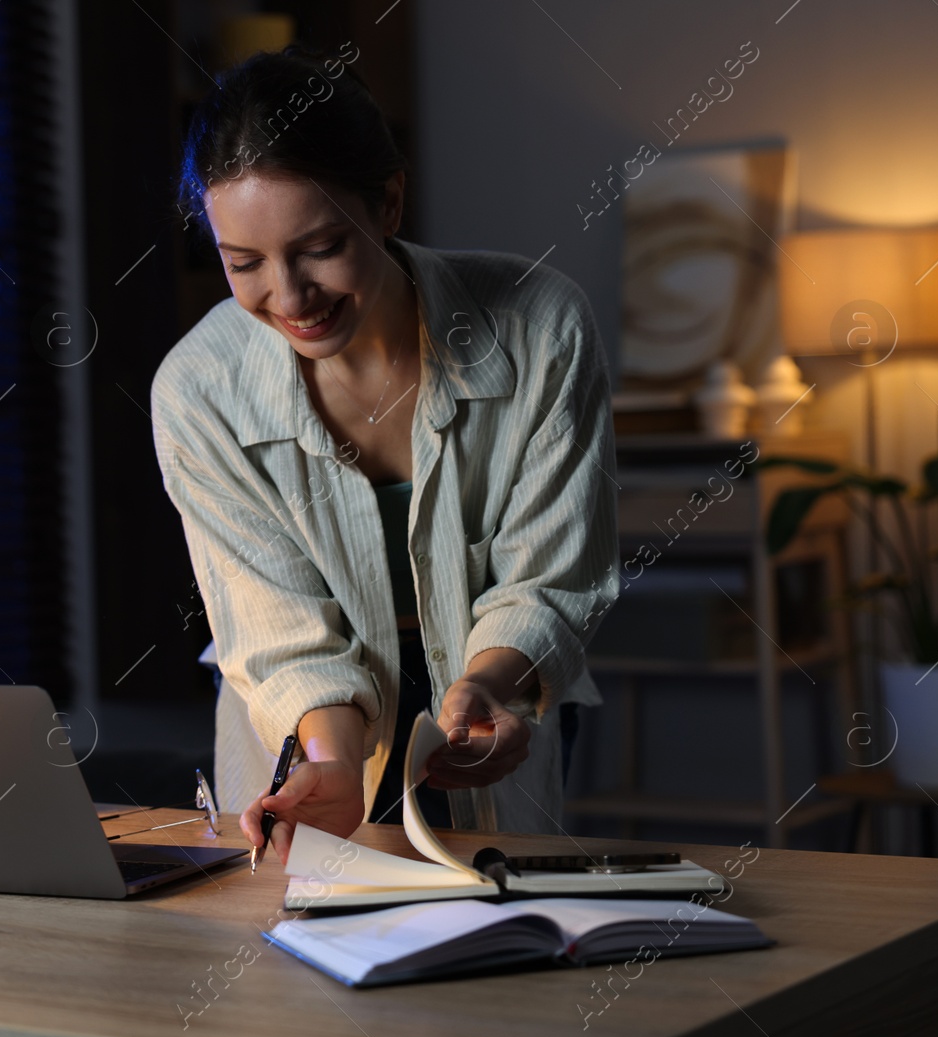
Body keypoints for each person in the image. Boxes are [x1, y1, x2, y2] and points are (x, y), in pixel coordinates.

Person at [150, 46, 619, 864]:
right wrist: (332, 762)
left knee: (505, 954)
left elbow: (551, 575)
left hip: (494, 714)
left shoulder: (543, 329)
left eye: (321, 246)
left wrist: (486, 686)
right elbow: (279, 631)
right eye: (245, 264)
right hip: (306, 739)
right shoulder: (199, 389)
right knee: (299, 974)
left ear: (390, 202)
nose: (290, 297)